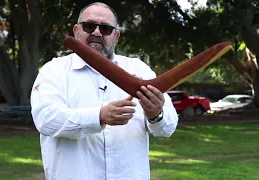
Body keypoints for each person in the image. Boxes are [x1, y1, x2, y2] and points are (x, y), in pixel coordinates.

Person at [31, 2, 178, 180]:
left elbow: (168, 127)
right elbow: (46, 119)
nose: (97, 32)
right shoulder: (54, 70)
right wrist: (98, 116)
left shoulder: (139, 69)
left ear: (116, 35)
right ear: (76, 30)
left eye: (106, 28)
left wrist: (156, 114)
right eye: (89, 26)